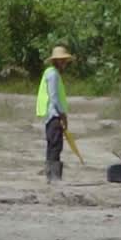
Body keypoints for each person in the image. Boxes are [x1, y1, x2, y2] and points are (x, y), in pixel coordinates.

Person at [36, 46, 74, 183]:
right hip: (54, 115)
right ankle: (53, 176)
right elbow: (54, 97)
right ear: (57, 61)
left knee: (53, 144)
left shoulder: (52, 73)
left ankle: (51, 175)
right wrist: (62, 115)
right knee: (55, 145)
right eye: (63, 61)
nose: (65, 63)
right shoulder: (52, 74)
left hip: (53, 114)